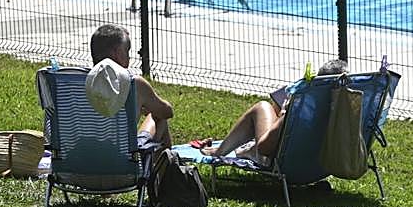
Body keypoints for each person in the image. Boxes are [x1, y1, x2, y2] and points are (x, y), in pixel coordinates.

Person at [201, 58, 350, 165]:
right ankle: (244, 149)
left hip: (282, 161)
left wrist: (285, 113)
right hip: (317, 164)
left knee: (262, 107)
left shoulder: (305, 105)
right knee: (274, 108)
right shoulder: (349, 111)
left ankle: (225, 151)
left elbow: (264, 148)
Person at [89, 23, 174, 149]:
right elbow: (167, 112)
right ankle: (166, 160)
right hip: (123, 158)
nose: (129, 57)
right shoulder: (134, 83)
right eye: (127, 51)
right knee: (158, 115)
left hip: (77, 157)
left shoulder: (71, 82)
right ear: (117, 53)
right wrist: (146, 104)